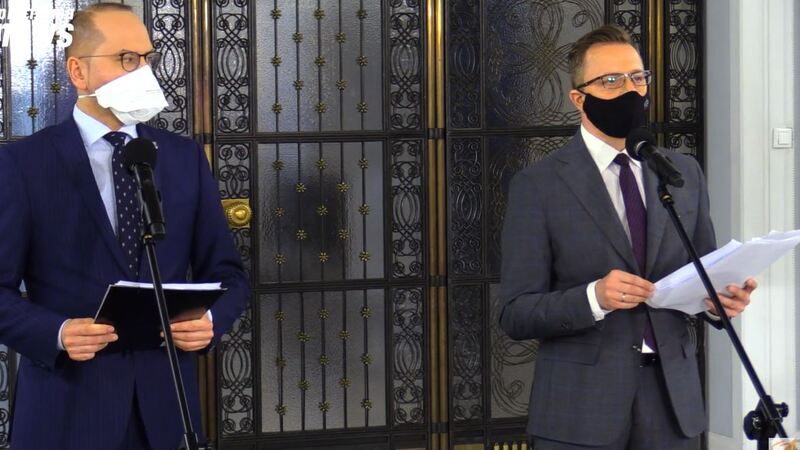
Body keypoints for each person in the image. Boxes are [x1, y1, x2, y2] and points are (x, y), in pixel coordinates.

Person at [0, 4, 249, 449]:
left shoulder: (183, 158)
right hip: (66, 410)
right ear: (78, 71)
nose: (144, 71)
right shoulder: (23, 164)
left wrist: (210, 320)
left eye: (147, 58)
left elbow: (228, 274)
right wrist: (57, 333)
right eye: (126, 59)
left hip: (166, 409)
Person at [498, 25, 755, 450]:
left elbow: (704, 271)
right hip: (580, 409)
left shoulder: (682, 172)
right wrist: (594, 297)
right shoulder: (538, 185)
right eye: (611, 81)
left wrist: (719, 301)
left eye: (638, 78)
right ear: (578, 98)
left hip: (672, 404)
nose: (631, 91)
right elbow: (515, 312)